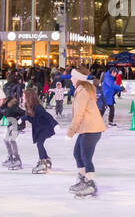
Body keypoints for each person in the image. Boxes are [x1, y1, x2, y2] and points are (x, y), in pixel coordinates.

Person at [67, 68, 106, 197]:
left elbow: (79, 114)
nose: (71, 79)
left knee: (85, 156)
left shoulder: (83, 91)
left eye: (72, 77)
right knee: (77, 154)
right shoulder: (82, 90)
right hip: (87, 128)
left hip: (91, 128)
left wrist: (70, 132)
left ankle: (90, 184)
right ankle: (83, 179)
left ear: (78, 78)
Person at [0, 93, 27, 169]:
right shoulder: (0, 108)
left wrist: (20, 120)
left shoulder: (11, 105)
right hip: (11, 125)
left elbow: (24, 113)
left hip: (17, 124)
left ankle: (17, 160)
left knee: (11, 140)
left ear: (3, 99)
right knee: (5, 140)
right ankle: (10, 157)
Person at [23, 87, 58, 173]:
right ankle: (46, 159)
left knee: (39, 144)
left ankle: (43, 161)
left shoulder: (37, 107)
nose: (23, 97)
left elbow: (47, 115)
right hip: (40, 128)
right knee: (40, 144)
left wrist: (55, 124)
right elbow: (30, 117)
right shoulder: (30, 107)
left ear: (29, 97)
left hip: (44, 128)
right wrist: (22, 119)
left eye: (24, 96)